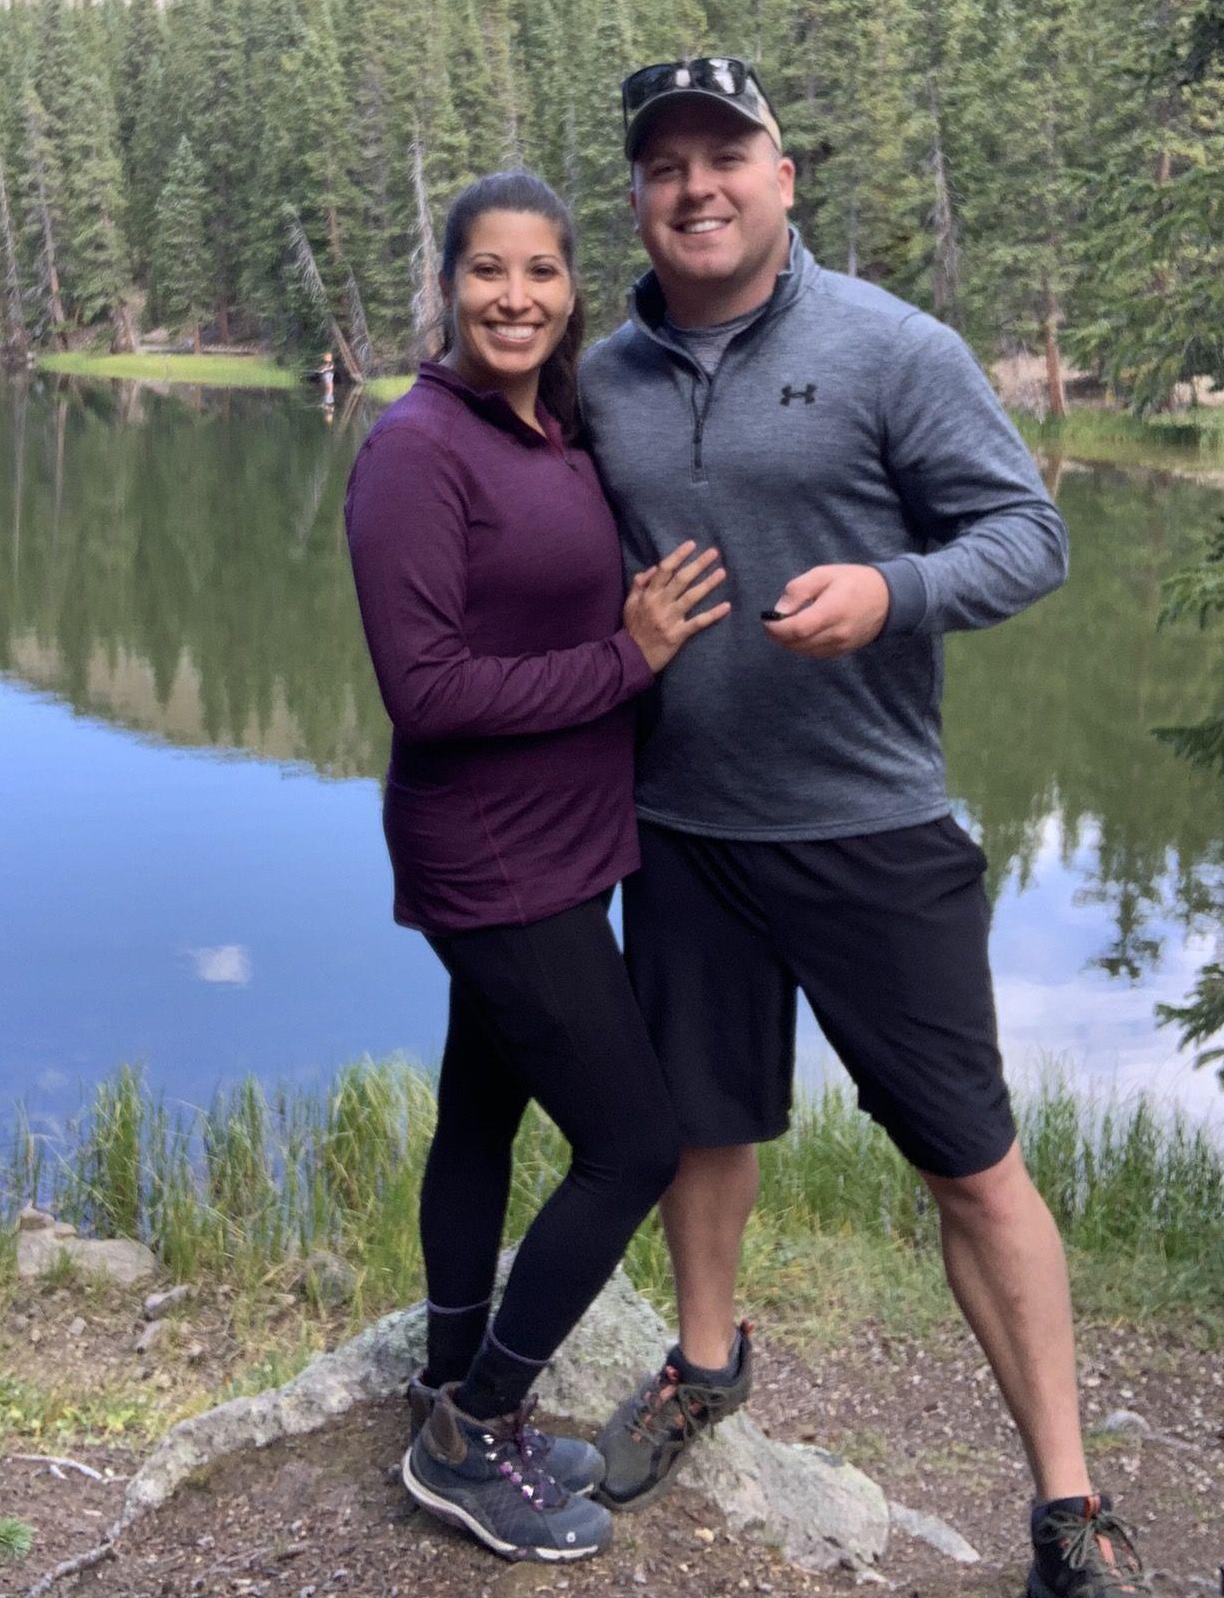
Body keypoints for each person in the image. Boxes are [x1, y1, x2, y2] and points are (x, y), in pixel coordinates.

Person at [577, 60, 1145, 1597]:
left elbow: (1031, 537)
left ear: (783, 177)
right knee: (705, 1124)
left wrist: (895, 589)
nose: (696, 188)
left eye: (726, 157)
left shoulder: (893, 347)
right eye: (665, 166)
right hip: (684, 829)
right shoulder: (605, 374)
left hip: (871, 831)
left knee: (972, 1165)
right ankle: (707, 1362)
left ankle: (1068, 1506)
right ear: (640, 194)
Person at [342, 169, 729, 1564]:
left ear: (573, 286)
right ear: (447, 284)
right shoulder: (415, 450)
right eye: (487, 272)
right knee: (632, 1142)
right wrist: (627, 658)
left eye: (542, 273)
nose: (515, 297)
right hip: (492, 854)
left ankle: (449, 1372)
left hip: (566, 844)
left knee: (482, 1110)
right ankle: (475, 1431)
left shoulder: (552, 429)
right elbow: (430, 689)